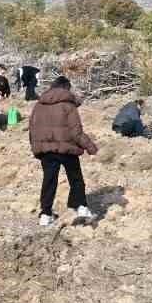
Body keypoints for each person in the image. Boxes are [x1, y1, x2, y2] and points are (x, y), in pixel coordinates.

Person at [29, 76, 98, 227]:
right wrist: (91, 148)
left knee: (49, 181)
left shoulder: (39, 104)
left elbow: (32, 129)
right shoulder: (68, 105)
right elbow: (76, 132)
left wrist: (36, 147)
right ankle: (81, 207)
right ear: (67, 88)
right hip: (66, 149)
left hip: (46, 150)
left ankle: (45, 214)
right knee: (76, 178)